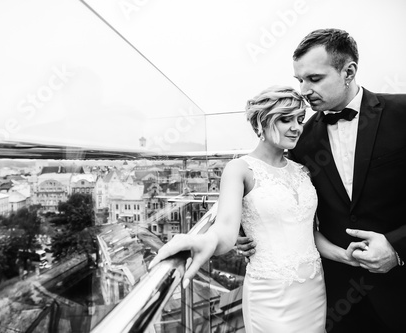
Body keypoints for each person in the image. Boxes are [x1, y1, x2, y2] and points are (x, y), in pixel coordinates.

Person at [149, 85, 367, 332]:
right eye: (285, 119)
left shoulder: (303, 170)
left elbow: (307, 232)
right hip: (270, 294)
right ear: (260, 125)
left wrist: (344, 255)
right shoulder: (239, 169)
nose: (297, 127)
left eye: (299, 119)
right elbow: (225, 228)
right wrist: (206, 241)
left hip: (314, 289)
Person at [237, 28, 406, 332]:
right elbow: (283, 203)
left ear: (348, 71)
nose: (303, 90)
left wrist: (397, 249)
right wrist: (243, 233)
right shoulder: (300, 141)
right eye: (298, 80)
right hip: (334, 298)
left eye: (314, 79)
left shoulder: (402, 114)